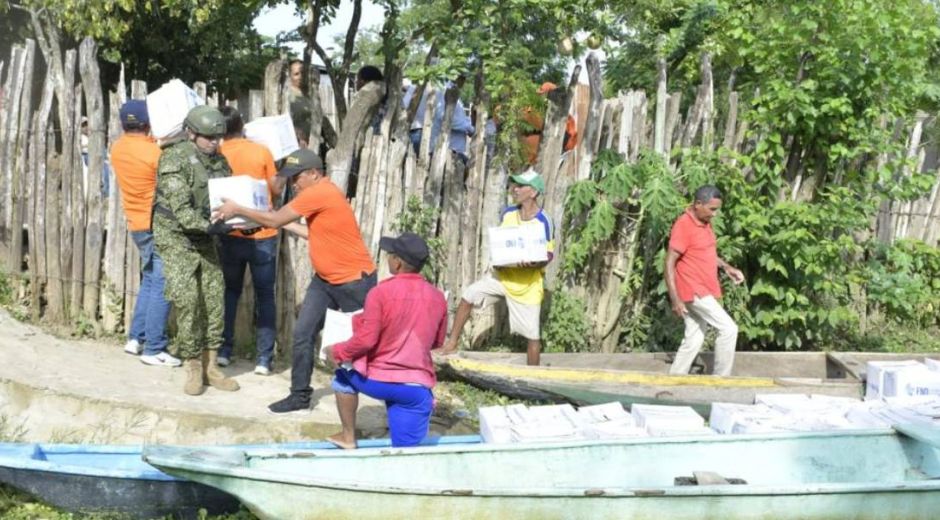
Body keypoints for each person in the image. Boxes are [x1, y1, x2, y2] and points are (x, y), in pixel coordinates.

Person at [213, 149, 377, 414]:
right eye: (290, 179)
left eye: (297, 177)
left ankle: (390, 392)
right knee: (303, 334)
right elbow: (309, 232)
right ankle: (300, 395)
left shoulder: (319, 192)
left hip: (353, 282)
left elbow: (275, 219)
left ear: (314, 173)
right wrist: (281, 221)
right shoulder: (319, 193)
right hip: (325, 280)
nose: (293, 184)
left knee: (364, 341)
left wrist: (239, 209)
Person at [324, 232, 447, 449]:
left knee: (342, 376)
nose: (388, 258)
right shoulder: (437, 297)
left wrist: (338, 351)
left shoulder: (380, 293)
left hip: (378, 382)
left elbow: (366, 340)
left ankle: (348, 437)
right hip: (416, 390)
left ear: (397, 262)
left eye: (390, 255)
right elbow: (437, 342)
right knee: (406, 454)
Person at [152, 105, 240, 396]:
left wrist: (241, 220)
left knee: (214, 297)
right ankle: (192, 364)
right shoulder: (174, 159)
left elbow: (227, 196)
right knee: (188, 299)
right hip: (176, 236)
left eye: (218, 137)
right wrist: (211, 227)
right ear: (191, 133)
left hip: (205, 235)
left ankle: (211, 365)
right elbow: (181, 211)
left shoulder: (220, 161)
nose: (214, 142)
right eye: (208, 137)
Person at [440, 169, 554, 366]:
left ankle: (534, 379)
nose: (515, 189)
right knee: (469, 295)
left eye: (520, 186)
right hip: (501, 277)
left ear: (534, 192)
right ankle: (451, 343)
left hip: (526, 285)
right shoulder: (509, 213)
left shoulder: (544, 220)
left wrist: (533, 263)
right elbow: (503, 244)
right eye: (514, 185)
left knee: (532, 335)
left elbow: (548, 254)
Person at [216, 107, 285, 375]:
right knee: (265, 295)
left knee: (230, 292)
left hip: (230, 233)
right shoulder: (261, 151)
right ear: (242, 124)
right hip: (262, 234)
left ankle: (224, 350)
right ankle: (263, 359)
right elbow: (276, 189)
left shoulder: (217, 153)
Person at [109, 100, 177, 367]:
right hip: (157, 223)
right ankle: (154, 348)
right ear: (149, 124)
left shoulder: (117, 148)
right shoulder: (156, 154)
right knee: (162, 285)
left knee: (150, 280)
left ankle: (135, 338)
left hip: (136, 224)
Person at [664, 185, 745, 377]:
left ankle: (674, 379)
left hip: (701, 288)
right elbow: (668, 263)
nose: (715, 214)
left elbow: (705, 253)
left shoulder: (704, 221)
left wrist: (727, 267)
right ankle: (721, 380)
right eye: (712, 209)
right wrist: (675, 299)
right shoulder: (684, 225)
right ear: (698, 204)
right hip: (693, 290)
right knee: (729, 329)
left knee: (695, 336)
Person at [402, 83, 475, 163]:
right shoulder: (444, 87)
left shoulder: (416, 84)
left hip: (415, 130)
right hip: (438, 140)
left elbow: (404, 105)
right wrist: (470, 129)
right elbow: (447, 116)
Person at [520, 82, 578, 166]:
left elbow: (536, 120)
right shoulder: (545, 108)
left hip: (559, 142)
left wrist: (525, 111)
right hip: (555, 140)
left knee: (529, 142)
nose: (539, 97)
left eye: (542, 94)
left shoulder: (557, 111)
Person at [287, 59, 313, 148]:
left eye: (302, 73)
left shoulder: (310, 94)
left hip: (312, 142)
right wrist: (298, 138)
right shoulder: (286, 95)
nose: (300, 76)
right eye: (296, 74)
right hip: (294, 144)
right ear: (289, 76)